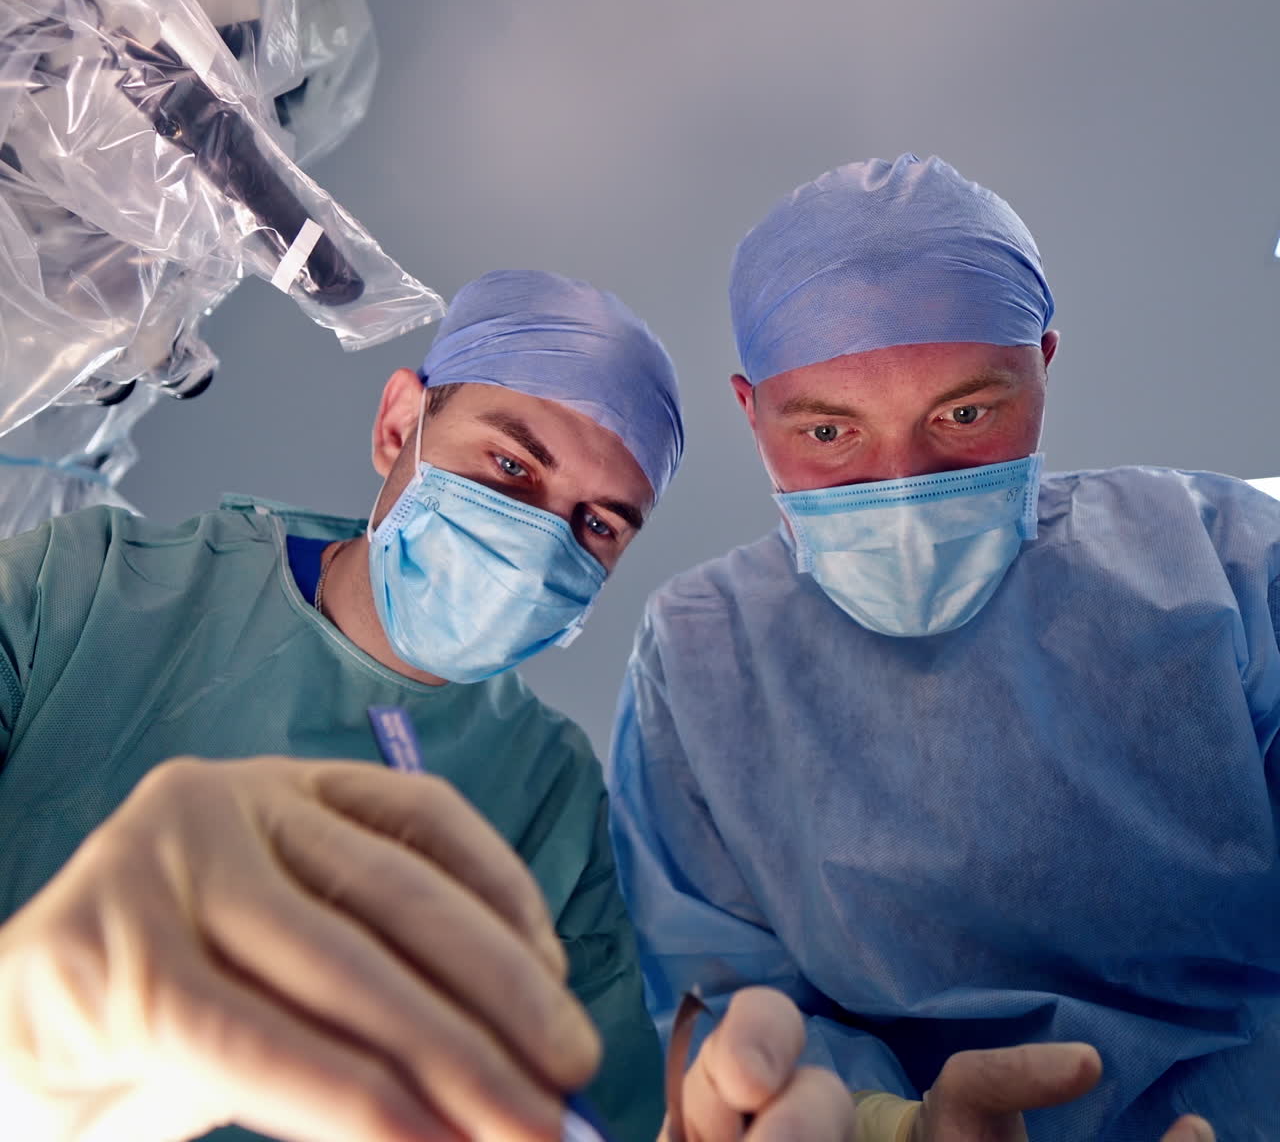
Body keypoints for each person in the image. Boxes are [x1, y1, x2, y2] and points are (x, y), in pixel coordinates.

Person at [0, 270, 854, 1142]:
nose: (536, 545)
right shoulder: (84, 588)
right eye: (511, 466)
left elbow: (613, 1103)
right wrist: (28, 1044)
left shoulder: (553, 804)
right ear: (400, 427)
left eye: (598, 524)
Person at [607, 156, 1277, 1141]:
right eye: (829, 432)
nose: (903, 486)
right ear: (750, 412)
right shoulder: (700, 656)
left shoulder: (1222, 562)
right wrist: (886, 1124)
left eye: (964, 415)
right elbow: (722, 993)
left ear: (1041, 363)